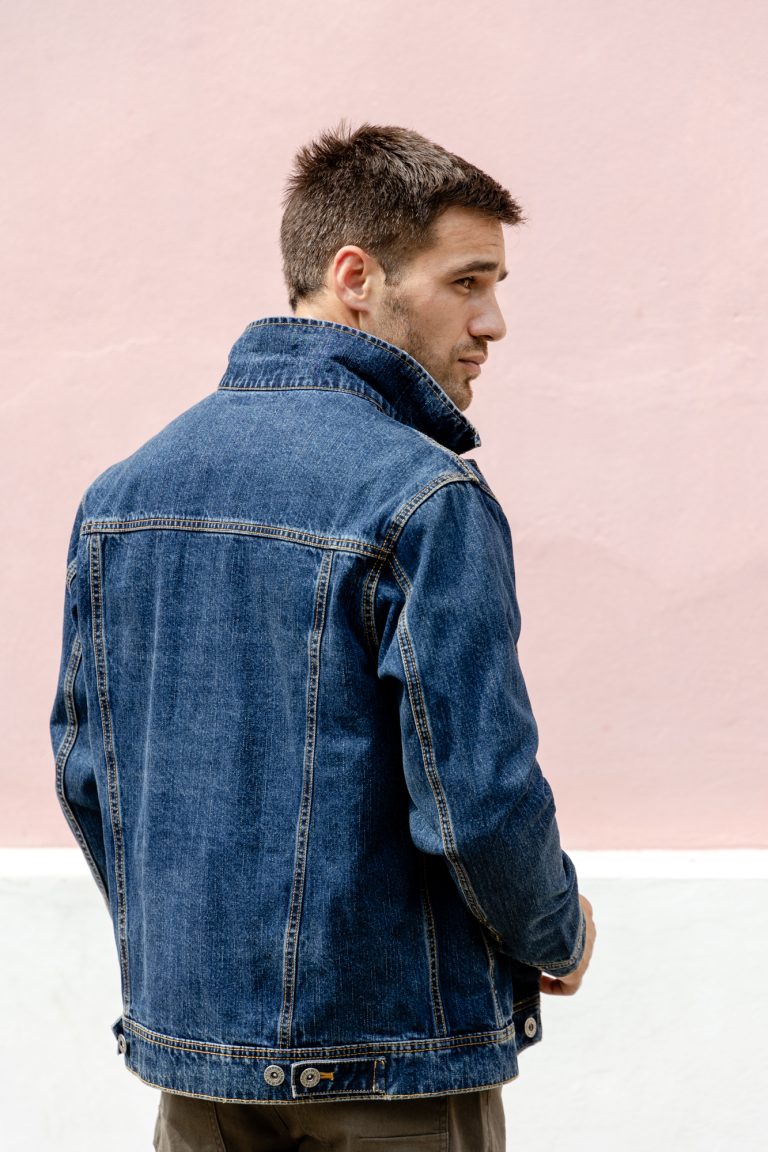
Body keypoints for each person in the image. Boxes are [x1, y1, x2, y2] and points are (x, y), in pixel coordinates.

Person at [50, 122, 596, 1152]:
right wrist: (557, 929)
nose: (493, 323)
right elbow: (478, 798)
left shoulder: (121, 497)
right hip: (392, 1066)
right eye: (467, 282)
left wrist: (196, 988)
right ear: (356, 277)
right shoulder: (423, 495)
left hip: (201, 1071)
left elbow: (89, 776)